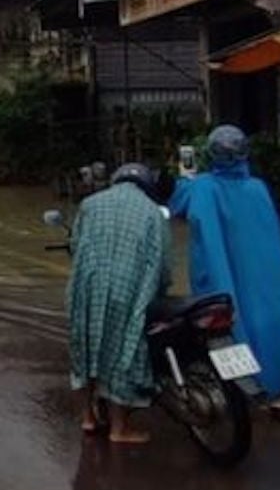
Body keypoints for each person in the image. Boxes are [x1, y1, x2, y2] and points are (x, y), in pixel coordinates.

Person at [168, 125, 280, 412]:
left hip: (218, 281)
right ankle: (270, 389)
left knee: (224, 324)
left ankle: (233, 387)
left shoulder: (201, 186)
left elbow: (177, 206)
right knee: (273, 324)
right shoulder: (258, 189)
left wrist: (185, 177)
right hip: (266, 281)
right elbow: (277, 237)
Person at [67, 164, 173, 444]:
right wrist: (161, 290)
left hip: (89, 287)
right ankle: (119, 429)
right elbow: (162, 264)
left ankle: (88, 418)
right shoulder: (153, 212)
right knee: (122, 352)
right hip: (130, 291)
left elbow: (76, 245)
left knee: (84, 347)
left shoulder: (89, 205)